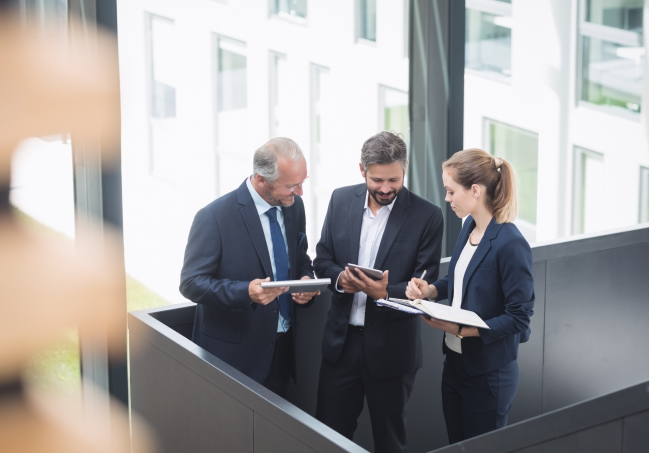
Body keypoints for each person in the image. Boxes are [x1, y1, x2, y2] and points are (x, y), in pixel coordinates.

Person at [314, 132, 444, 453]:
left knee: (390, 442)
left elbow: (424, 286)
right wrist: (340, 279)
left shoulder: (427, 216)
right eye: (377, 180)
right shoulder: (340, 200)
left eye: (393, 180)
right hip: (341, 346)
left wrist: (384, 293)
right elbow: (322, 260)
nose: (385, 188)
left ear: (405, 168)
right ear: (362, 170)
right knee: (327, 439)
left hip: (392, 351)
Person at [406, 148, 535, 443]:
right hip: (455, 364)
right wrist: (431, 290)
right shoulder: (469, 227)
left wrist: (463, 330)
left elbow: (519, 318)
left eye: (451, 191)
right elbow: (459, 279)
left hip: (489, 374)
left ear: (475, 190)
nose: (447, 198)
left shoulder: (511, 243)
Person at [180, 138, 320, 397]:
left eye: (303, 182)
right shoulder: (214, 217)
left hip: (283, 350)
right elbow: (191, 283)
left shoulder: (293, 206)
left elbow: (300, 256)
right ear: (262, 179)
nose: (300, 192)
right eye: (292, 185)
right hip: (233, 357)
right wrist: (246, 292)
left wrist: (305, 278)